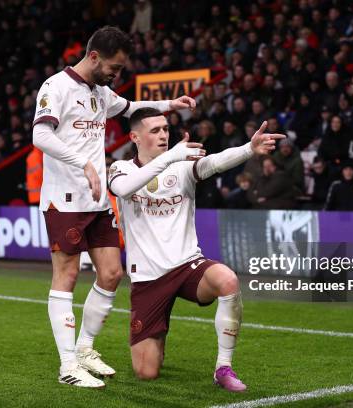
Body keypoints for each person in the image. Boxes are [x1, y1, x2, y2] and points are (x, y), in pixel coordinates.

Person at [31, 26, 197, 388]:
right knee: (68, 276)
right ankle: (67, 365)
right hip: (64, 199)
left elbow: (130, 108)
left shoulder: (100, 93)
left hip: (97, 199)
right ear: (94, 57)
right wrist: (85, 163)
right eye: (115, 67)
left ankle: (86, 348)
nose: (117, 75)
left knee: (110, 273)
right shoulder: (55, 87)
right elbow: (40, 135)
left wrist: (171, 105)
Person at [108, 109, 283, 391]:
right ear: (135, 137)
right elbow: (125, 189)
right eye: (155, 131)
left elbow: (214, 163)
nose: (163, 135)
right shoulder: (121, 169)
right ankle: (157, 332)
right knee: (146, 372)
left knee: (227, 280)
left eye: (165, 129)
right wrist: (170, 157)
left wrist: (249, 149)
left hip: (186, 266)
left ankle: (223, 368)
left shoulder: (181, 166)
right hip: (148, 278)